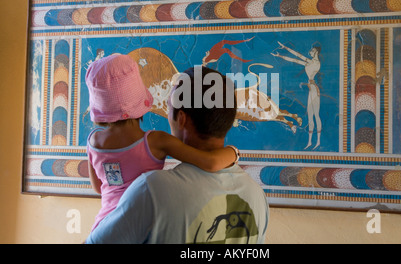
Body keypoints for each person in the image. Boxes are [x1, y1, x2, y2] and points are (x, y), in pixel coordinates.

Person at [85, 66, 269, 244]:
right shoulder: (257, 196)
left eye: (168, 107)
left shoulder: (153, 190)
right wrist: (233, 152)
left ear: (181, 118)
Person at [272, 41, 322, 150]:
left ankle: (318, 141)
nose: (310, 52)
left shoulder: (315, 63)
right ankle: (309, 142)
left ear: (317, 51)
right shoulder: (310, 62)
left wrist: (284, 50)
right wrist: (282, 52)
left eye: (312, 50)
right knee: (310, 116)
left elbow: (299, 57)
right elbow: (296, 58)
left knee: (316, 115)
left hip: (314, 89)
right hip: (310, 89)